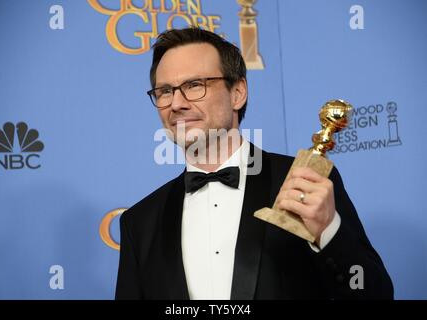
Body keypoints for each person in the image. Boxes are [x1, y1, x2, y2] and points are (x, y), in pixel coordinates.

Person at [115, 27, 393, 300]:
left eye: (194, 86)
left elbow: (374, 293)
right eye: (164, 91)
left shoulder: (305, 181)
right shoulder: (140, 222)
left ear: (238, 93)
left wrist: (329, 233)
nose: (176, 103)